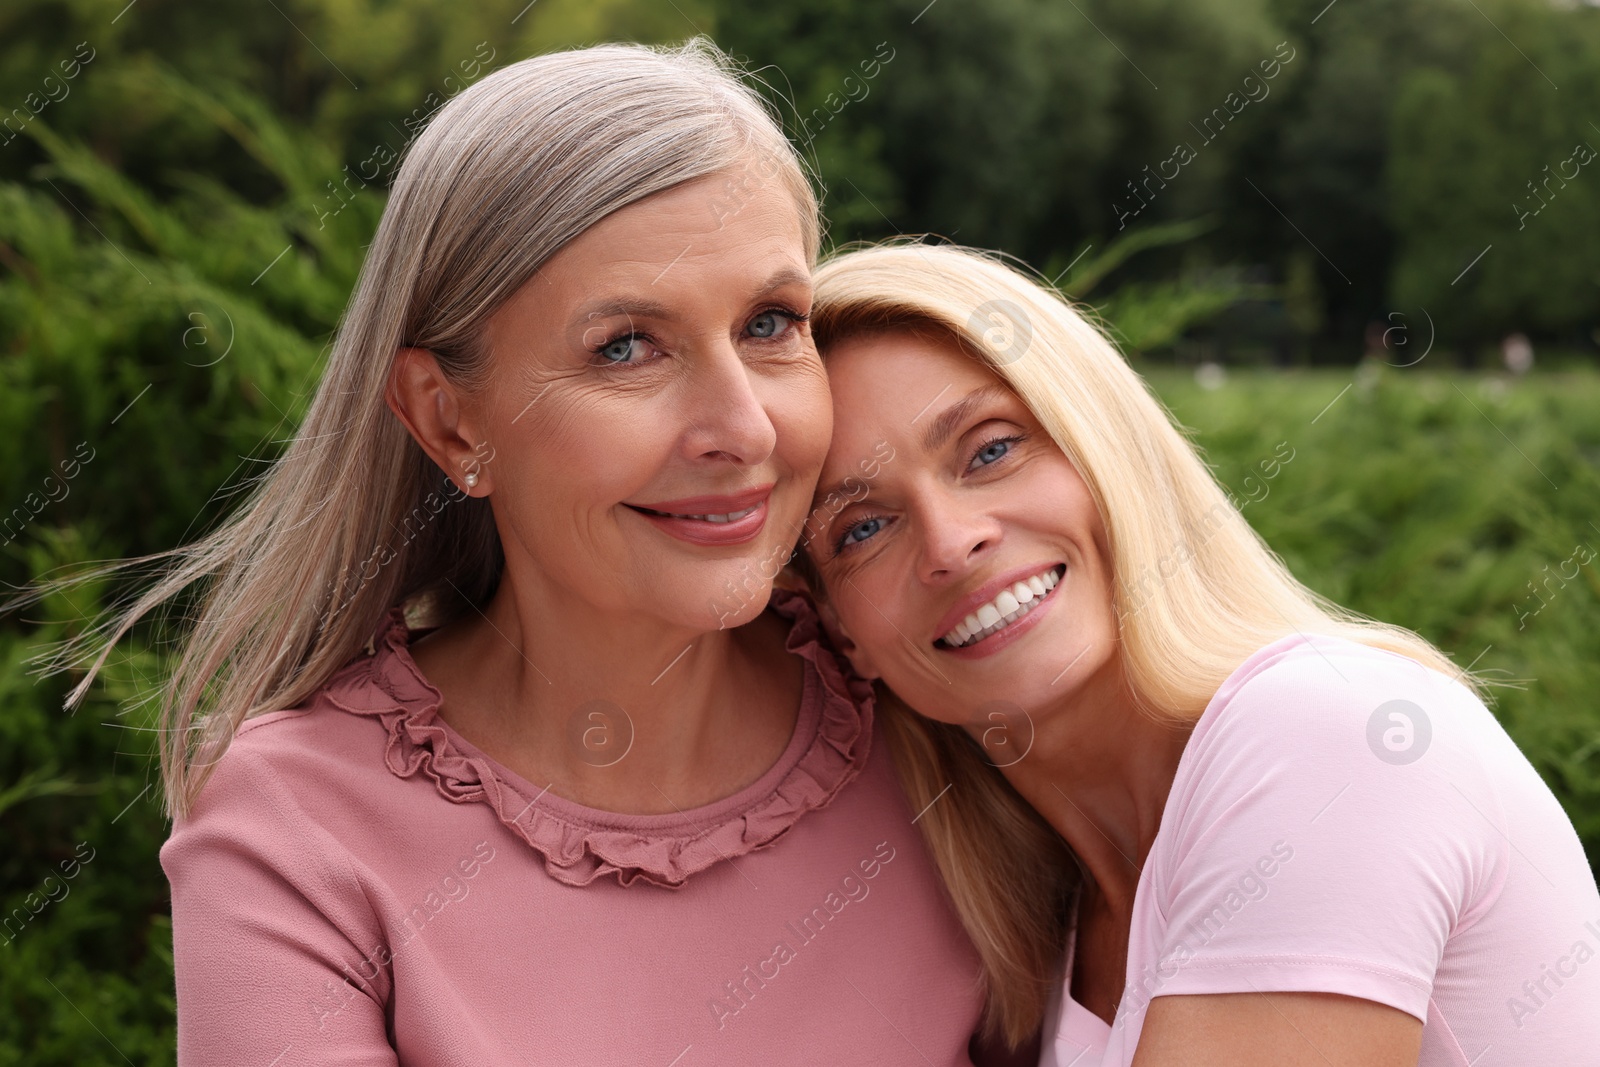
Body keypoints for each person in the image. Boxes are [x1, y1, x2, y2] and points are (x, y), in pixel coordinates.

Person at [24, 44, 1054, 1065]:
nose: (742, 428)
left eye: (770, 323)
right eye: (624, 347)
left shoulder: (930, 701)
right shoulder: (297, 826)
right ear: (450, 419)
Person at [792, 241, 1600, 1066]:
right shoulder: (1057, 943)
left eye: (992, 448)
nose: (951, 542)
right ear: (840, 630)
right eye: (861, 528)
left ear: (1102, 444)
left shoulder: (1325, 737)